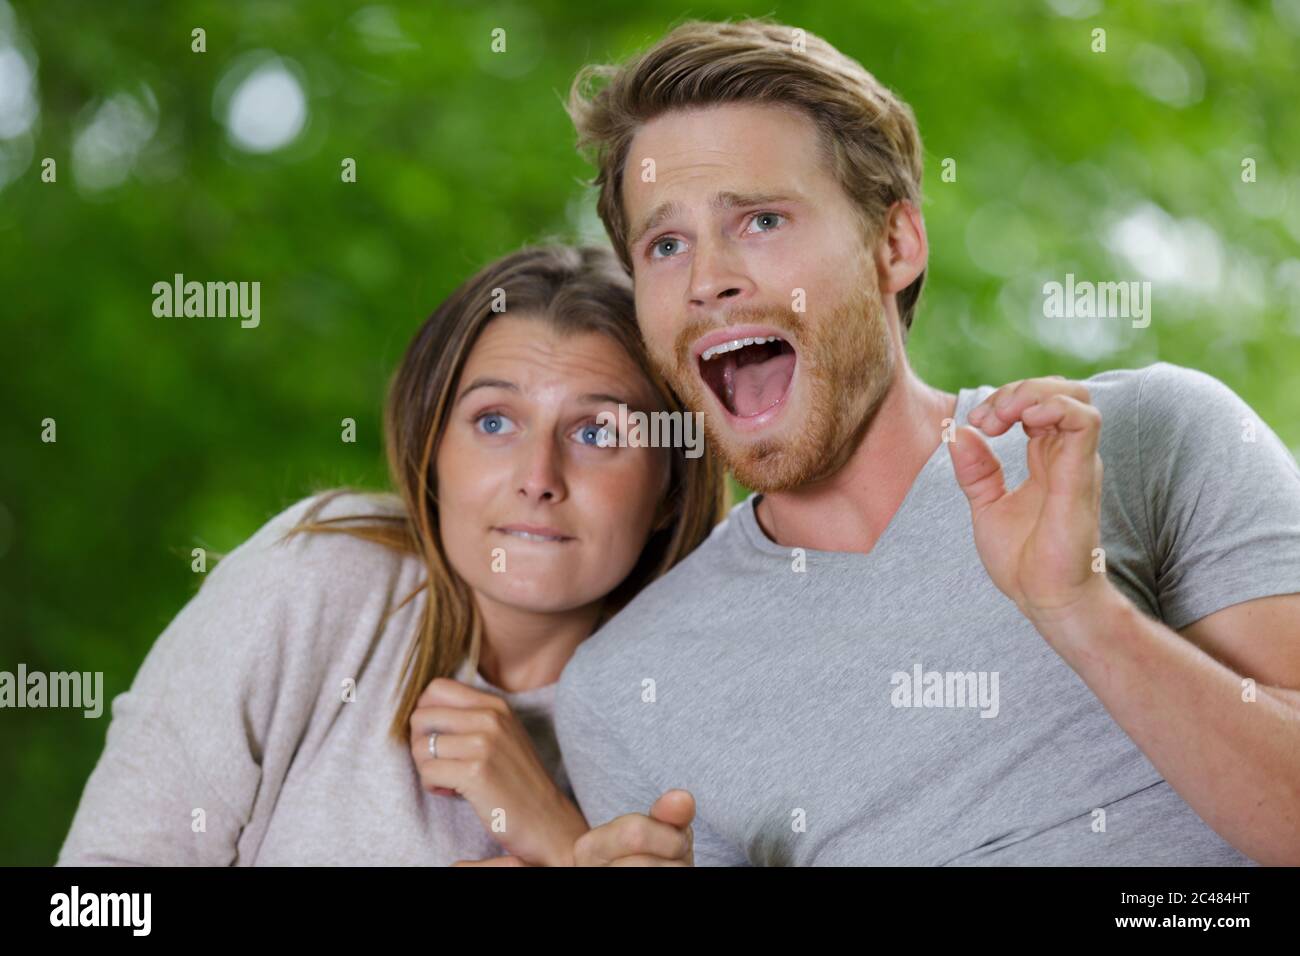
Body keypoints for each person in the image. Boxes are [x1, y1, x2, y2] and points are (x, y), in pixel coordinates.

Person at [555, 18, 1300, 866]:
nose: (706, 280)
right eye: (665, 243)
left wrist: (1082, 616)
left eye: (760, 221)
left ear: (896, 243)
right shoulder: (624, 692)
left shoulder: (1149, 439)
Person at [56, 244, 724, 865]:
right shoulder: (316, 580)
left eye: (598, 431)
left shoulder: (704, 714)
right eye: (494, 422)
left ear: (671, 486)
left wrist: (559, 836)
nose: (537, 476)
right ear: (432, 451)